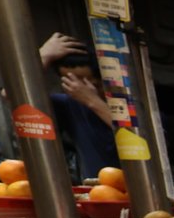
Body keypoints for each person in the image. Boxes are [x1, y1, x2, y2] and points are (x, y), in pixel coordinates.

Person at [38, 33, 118, 182]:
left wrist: (92, 100)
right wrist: (43, 56)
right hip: (97, 193)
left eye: (87, 81)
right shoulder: (69, 105)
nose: (77, 87)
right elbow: (11, 96)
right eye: (71, 81)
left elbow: (135, 137)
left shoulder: (133, 105)